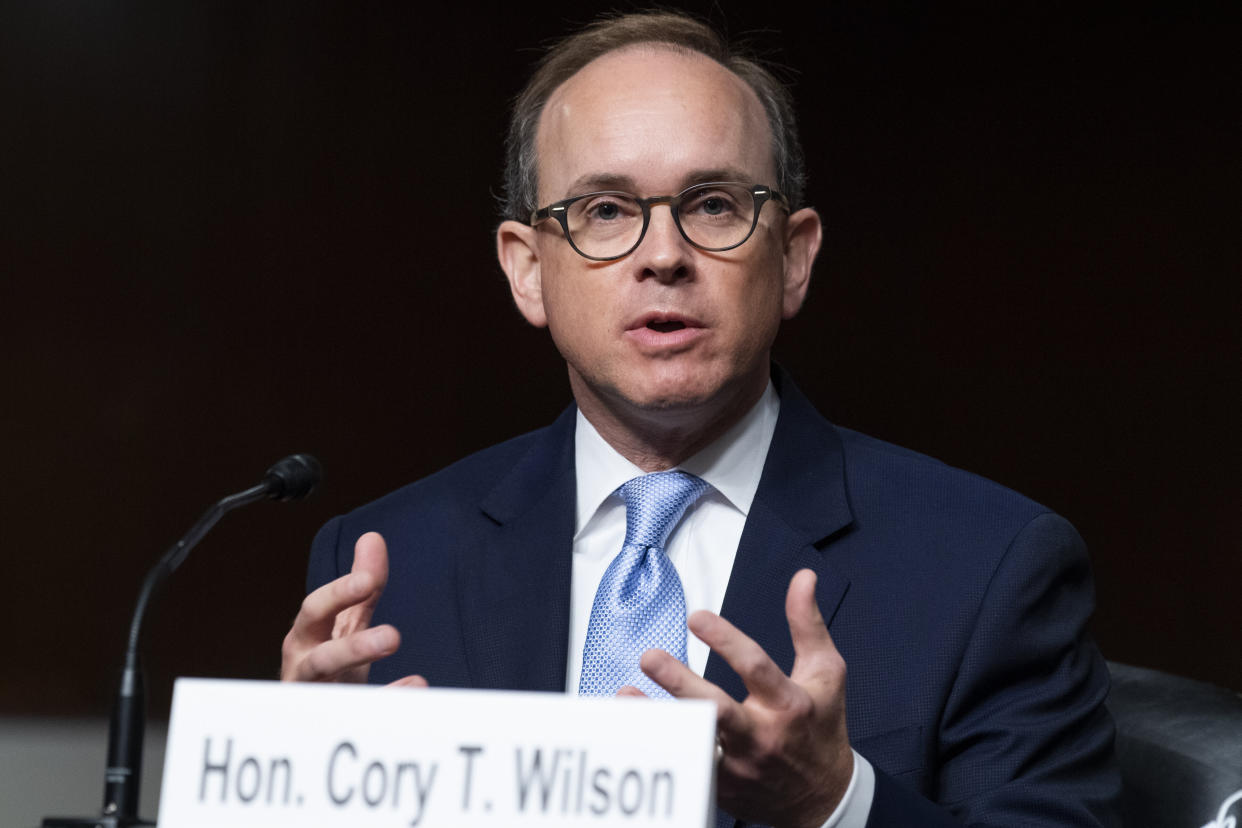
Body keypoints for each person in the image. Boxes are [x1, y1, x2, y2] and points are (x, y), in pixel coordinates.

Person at [281, 11, 1120, 827]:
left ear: (792, 258)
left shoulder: (987, 567)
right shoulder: (386, 566)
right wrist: (292, 791)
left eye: (713, 203)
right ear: (527, 271)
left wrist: (833, 806)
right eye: (604, 211)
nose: (663, 255)